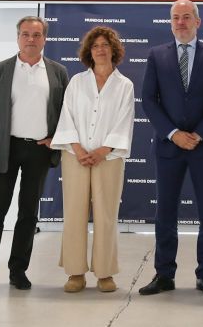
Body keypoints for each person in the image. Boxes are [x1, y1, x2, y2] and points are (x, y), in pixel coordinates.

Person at [0, 16, 69, 295]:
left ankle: (18, 271)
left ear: (44, 39)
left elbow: (64, 113)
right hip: (4, 150)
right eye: (25, 34)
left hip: (38, 150)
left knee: (28, 214)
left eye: (37, 35)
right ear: (18, 38)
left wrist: (55, 139)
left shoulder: (58, 72)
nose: (31, 39)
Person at [138, 0, 203, 297]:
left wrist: (200, 134)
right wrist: (174, 133)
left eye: (186, 17)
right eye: (175, 18)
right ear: (170, 23)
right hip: (169, 146)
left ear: (198, 22)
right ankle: (164, 274)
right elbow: (149, 100)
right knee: (165, 212)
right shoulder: (156, 55)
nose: (181, 22)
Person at [51, 26, 135, 294]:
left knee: (106, 215)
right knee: (74, 212)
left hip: (108, 158)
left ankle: (104, 273)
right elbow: (67, 116)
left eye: (105, 45)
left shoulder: (125, 85)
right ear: (89, 51)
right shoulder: (77, 82)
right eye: (95, 46)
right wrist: (77, 148)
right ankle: (75, 272)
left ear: (114, 49)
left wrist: (103, 150)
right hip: (75, 156)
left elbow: (124, 121)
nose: (100, 49)